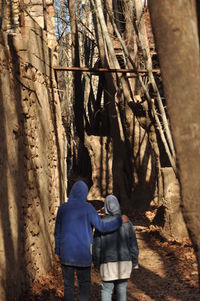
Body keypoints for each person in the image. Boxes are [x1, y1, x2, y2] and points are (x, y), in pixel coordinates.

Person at [54, 180, 125, 301]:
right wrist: (119, 221)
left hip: (66, 254)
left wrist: (57, 251)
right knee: (84, 286)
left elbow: (57, 232)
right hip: (83, 254)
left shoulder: (62, 208)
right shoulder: (89, 209)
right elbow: (102, 227)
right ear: (85, 193)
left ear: (72, 192)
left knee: (68, 286)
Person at [92, 195, 139, 301]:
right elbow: (133, 245)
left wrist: (96, 263)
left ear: (106, 207)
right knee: (122, 288)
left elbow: (97, 246)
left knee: (106, 289)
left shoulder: (101, 223)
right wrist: (135, 262)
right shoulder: (127, 223)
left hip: (107, 263)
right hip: (125, 261)